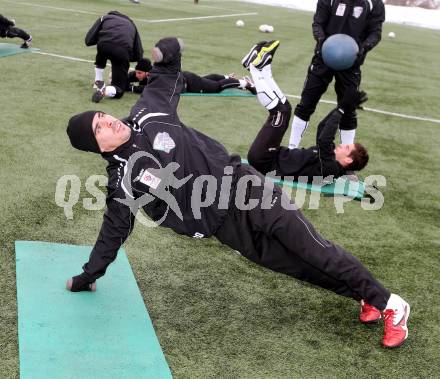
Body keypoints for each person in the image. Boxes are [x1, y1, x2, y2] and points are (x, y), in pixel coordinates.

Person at [65, 37, 410, 348]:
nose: (109, 121)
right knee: (299, 266)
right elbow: (114, 230)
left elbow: (167, 70)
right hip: (224, 227)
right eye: (99, 128)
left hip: (247, 187)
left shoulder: (148, 112)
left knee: (314, 249)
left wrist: (165, 50)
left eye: (103, 115)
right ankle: (365, 296)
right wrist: (88, 275)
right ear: (97, 146)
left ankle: (392, 305)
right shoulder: (123, 179)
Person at [246, 41, 369, 181]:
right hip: (271, 154)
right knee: (286, 108)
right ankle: (264, 69)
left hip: (263, 161)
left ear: (347, 161)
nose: (341, 145)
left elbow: (324, 139)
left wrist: (341, 109)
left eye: (346, 148)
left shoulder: (330, 170)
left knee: (281, 112)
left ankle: (254, 68)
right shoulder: (328, 157)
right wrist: (344, 106)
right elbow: (323, 128)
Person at [287, 0, 385, 149]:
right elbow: (318, 23)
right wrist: (321, 41)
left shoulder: (374, 3)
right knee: (306, 104)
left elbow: (375, 32)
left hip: (352, 63)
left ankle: (348, 163)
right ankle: (292, 149)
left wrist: (364, 48)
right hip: (323, 58)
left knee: (349, 110)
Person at [95, 57, 256, 101]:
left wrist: (130, 88)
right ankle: (229, 77)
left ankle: (245, 83)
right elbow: (127, 78)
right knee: (210, 79)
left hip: (189, 84)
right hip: (186, 78)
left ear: (147, 73)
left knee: (217, 87)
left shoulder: (154, 78)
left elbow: (145, 90)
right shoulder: (142, 72)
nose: (136, 75)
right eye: (136, 73)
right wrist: (115, 81)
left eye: (139, 73)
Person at [85, 10, 143, 103]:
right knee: (119, 89)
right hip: (122, 51)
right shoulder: (131, 24)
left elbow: (89, 39)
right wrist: (126, 61)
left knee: (101, 51)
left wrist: (98, 41)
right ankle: (104, 90)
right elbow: (138, 52)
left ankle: (98, 83)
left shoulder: (104, 18)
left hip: (104, 45)